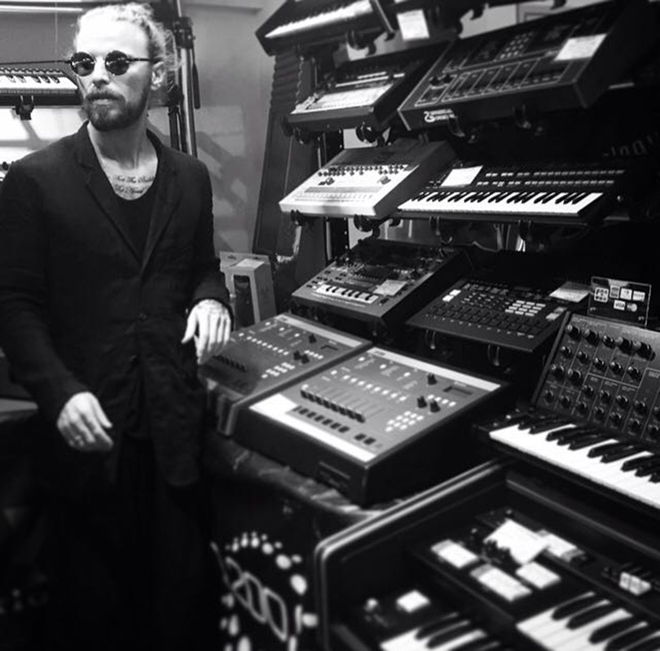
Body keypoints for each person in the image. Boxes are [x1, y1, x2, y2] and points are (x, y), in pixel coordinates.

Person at [0, 3, 232, 649]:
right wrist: (59, 392)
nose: (98, 74)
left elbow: (203, 268)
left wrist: (212, 301)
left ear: (158, 74)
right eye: (85, 62)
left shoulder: (191, 177)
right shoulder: (34, 181)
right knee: (95, 622)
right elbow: (13, 304)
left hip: (172, 430)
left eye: (117, 61)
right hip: (87, 438)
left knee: (180, 614)